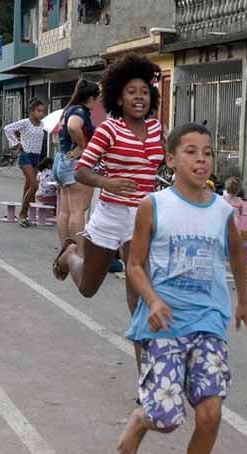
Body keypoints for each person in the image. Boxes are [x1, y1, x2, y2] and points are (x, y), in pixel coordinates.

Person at [117, 122, 247, 454]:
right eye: (191, 152)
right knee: (166, 419)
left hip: (209, 320)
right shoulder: (154, 205)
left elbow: (237, 252)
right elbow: (134, 264)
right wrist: (152, 300)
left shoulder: (223, 210)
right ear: (171, 159)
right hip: (166, 324)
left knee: (210, 414)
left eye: (207, 153)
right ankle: (141, 419)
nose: (201, 160)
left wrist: (242, 301)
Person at [53, 53, 164, 373]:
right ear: (118, 96)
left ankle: (145, 374)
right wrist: (109, 183)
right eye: (132, 92)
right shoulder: (108, 131)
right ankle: (70, 254)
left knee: (137, 298)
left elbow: (166, 166)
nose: (139, 97)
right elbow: (83, 171)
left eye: (144, 91)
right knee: (88, 288)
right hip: (110, 216)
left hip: (141, 220)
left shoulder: (158, 129)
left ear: (151, 97)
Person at [53, 79, 101, 242]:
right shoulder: (79, 112)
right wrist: (82, 146)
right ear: (91, 98)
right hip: (75, 163)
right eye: (97, 98)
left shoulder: (68, 110)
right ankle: (77, 252)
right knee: (77, 211)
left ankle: (66, 251)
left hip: (62, 161)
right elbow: (74, 126)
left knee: (66, 211)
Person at [4, 98, 47, 228]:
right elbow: (7, 129)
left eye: (43, 111)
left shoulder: (42, 125)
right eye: (39, 111)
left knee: (28, 186)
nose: (42, 114)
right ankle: (22, 214)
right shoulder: (25, 122)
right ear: (32, 111)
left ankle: (24, 215)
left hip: (36, 157)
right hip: (25, 156)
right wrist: (16, 143)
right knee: (34, 186)